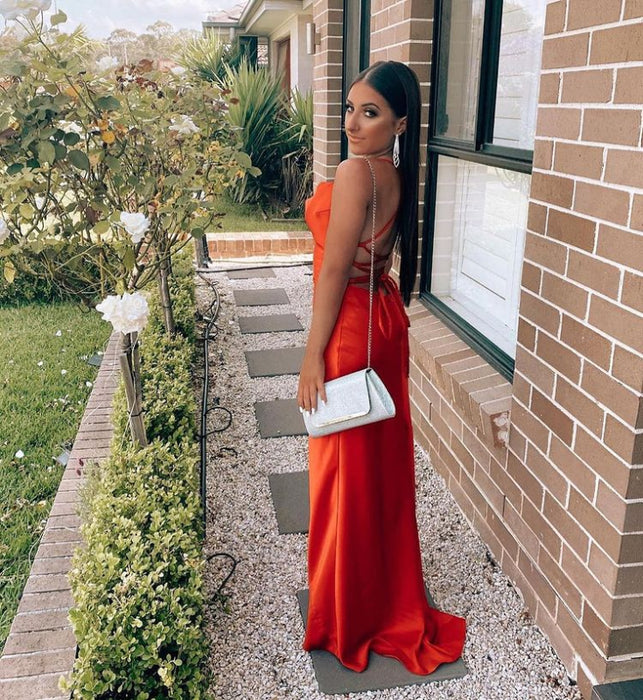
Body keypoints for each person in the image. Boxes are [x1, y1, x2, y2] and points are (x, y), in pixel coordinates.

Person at [297, 61, 466, 675]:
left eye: (369, 113)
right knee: (378, 475)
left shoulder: (355, 171)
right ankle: (379, 596)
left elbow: (337, 271)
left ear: (398, 122)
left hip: (348, 333)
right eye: (348, 109)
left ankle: (348, 614)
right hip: (382, 327)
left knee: (342, 477)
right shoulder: (394, 173)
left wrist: (311, 355)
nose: (352, 123)